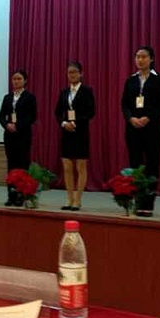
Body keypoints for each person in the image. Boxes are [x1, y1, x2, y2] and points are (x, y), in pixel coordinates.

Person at [121, 46, 160, 217]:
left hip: (152, 129)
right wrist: (131, 118)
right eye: (137, 57)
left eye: (143, 57)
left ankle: (148, 204)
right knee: (135, 165)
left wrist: (148, 117)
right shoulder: (131, 80)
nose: (140, 60)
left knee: (152, 165)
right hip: (133, 128)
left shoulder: (159, 80)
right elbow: (124, 104)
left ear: (151, 59)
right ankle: (137, 201)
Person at [54, 61, 95, 211]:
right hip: (67, 132)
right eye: (69, 72)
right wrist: (64, 123)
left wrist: (76, 122)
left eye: (74, 72)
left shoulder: (87, 91)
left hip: (81, 132)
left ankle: (78, 199)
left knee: (80, 166)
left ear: (81, 73)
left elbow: (91, 112)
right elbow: (58, 112)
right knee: (67, 166)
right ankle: (69, 198)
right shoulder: (64, 92)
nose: (72, 75)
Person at [0, 70, 37, 206]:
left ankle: (22, 194)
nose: (16, 81)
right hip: (9, 136)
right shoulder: (7, 97)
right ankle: (11, 195)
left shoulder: (29, 97)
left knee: (22, 165)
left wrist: (18, 125)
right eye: (14, 79)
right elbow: (1, 116)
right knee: (11, 166)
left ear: (25, 81)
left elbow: (32, 116)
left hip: (23, 135)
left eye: (19, 79)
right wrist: (6, 125)